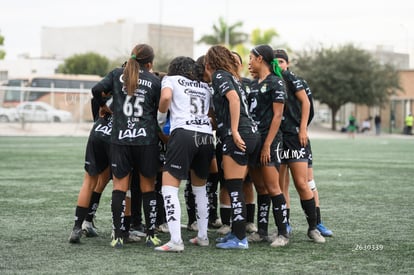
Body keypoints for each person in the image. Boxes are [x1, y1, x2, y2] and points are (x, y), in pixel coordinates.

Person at [91, 43, 161, 248]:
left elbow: (96, 90)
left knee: (120, 187)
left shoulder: (116, 74)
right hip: (146, 139)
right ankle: (150, 235)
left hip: (120, 139)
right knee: (148, 188)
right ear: (149, 63)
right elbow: (159, 108)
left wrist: (103, 106)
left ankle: (118, 236)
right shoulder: (154, 81)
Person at [155, 56, 214, 252]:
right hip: (205, 136)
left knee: (169, 188)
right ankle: (203, 236)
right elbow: (212, 113)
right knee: (200, 189)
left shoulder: (170, 80)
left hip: (183, 133)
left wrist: (161, 120)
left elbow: (165, 98)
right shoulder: (204, 86)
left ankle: (176, 241)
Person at [204, 45, 261, 249]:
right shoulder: (233, 76)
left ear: (210, 62)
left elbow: (234, 100)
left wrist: (234, 131)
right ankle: (236, 234)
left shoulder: (220, 75)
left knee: (235, 187)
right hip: (250, 133)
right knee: (237, 186)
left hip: (239, 134)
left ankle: (239, 238)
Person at [274, 48, 325, 243]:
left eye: (281, 62)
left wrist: (302, 128)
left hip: (295, 137)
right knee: (281, 185)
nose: (278, 65)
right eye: (275, 62)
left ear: (287, 64)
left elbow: (307, 104)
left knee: (303, 183)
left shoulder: (294, 79)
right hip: (278, 138)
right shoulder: (271, 81)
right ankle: (285, 225)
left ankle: (313, 227)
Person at [246, 45, 289, 247]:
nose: (249, 61)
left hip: (269, 142)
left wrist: (267, 145)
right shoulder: (254, 84)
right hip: (254, 141)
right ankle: (261, 231)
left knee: (273, 187)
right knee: (260, 188)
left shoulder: (276, 83)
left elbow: (278, 115)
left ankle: (283, 234)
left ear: (260, 58)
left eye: (251, 58)